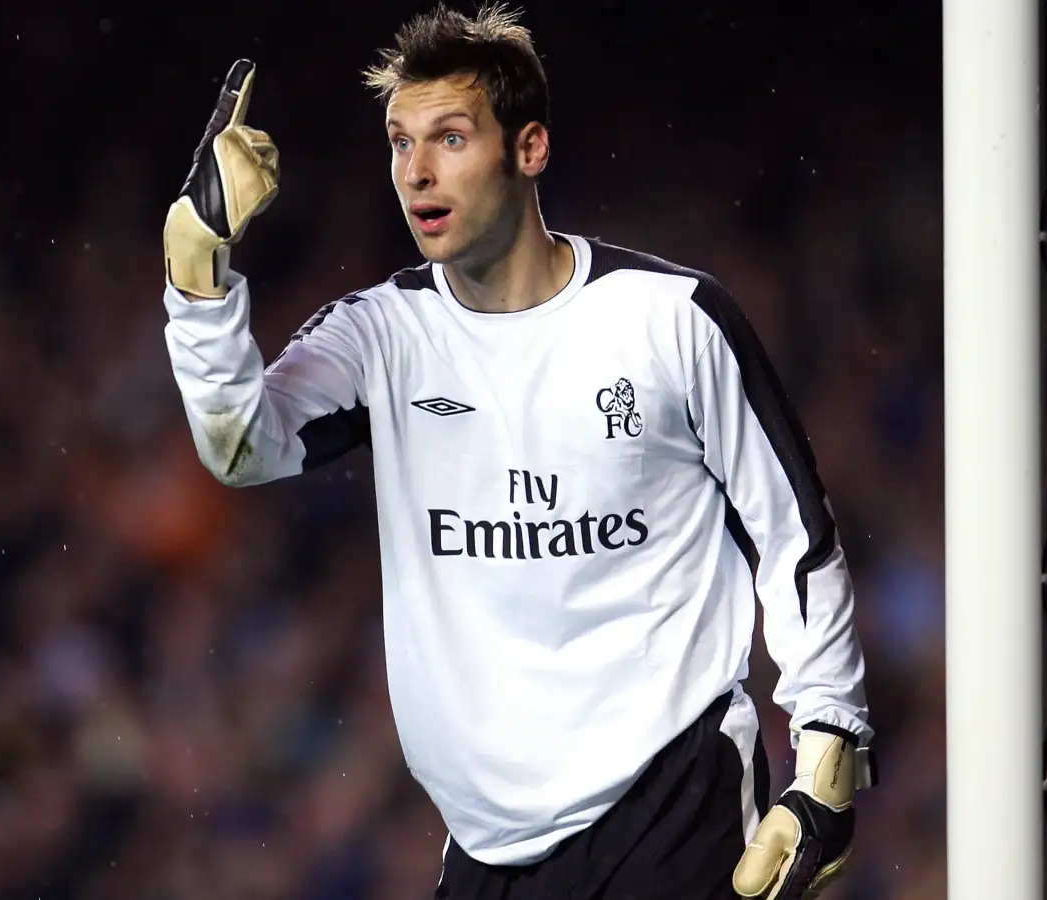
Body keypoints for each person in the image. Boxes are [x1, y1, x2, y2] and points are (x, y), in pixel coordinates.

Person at [158, 4, 876, 898]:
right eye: (399, 143)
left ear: (529, 149)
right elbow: (239, 447)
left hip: (671, 802)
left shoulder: (670, 321)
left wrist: (827, 748)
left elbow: (795, 536)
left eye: (450, 138)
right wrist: (197, 269)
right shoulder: (383, 336)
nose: (416, 171)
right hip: (485, 844)